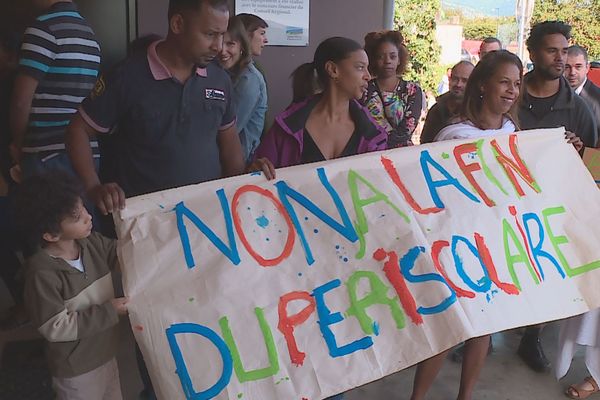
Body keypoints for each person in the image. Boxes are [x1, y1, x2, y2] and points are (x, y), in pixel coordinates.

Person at [65, 1, 272, 398]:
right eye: (209, 34)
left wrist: (248, 176)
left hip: (205, 227)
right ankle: (158, 390)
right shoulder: (127, 77)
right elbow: (78, 130)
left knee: (208, 312)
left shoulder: (219, 80)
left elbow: (228, 149)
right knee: (157, 323)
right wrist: (94, 187)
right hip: (145, 233)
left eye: (223, 35)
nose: (219, 45)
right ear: (177, 24)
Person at [411, 50, 523, 400]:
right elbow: (430, 191)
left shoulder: (513, 132)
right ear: (482, 86)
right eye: (504, 81)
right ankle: (418, 397)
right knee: (448, 326)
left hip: (496, 242)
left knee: (484, 326)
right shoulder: (453, 136)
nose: (511, 91)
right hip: (455, 243)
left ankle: (466, 395)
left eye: (517, 84)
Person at [517, 21, 597, 373]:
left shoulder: (578, 108)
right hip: (504, 202)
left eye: (565, 50)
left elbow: (592, 164)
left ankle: (531, 335)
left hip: (549, 208)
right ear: (533, 52)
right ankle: (480, 337)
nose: (560, 58)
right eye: (552, 50)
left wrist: (577, 152)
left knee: (543, 272)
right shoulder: (510, 95)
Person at [14, 171, 128, 400]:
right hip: (76, 371)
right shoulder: (41, 275)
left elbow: (121, 255)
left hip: (105, 352)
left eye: (84, 208)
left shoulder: (91, 242)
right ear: (51, 235)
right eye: (77, 217)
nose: (88, 217)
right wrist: (109, 311)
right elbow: (56, 326)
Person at [255, 36, 387, 169]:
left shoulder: (373, 135)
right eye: (360, 67)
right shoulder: (287, 127)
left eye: (367, 68)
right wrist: (256, 170)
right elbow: (257, 177)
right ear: (333, 70)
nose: (368, 76)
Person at [10, 0, 101, 179]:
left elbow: (21, 101)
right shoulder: (90, 35)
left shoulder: (42, 29)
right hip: (86, 157)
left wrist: (18, 145)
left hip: (46, 156)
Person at [219, 16, 267, 163]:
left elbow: (229, 131)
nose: (222, 51)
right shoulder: (224, 73)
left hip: (236, 165)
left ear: (242, 45)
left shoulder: (248, 79)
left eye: (230, 44)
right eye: (262, 33)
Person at [363, 30, 423, 147]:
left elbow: (408, 128)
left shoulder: (413, 90)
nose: (387, 61)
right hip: (370, 154)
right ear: (373, 60)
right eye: (381, 57)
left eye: (392, 56)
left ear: (399, 59)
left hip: (402, 156)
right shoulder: (364, 88)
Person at [420, 61, 474, 143]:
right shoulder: (436, 110)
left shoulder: (480, 110)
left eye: (464, 80)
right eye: (455, 79)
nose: (458, 84)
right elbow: (425, 143)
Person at [565, 45, 600, 142]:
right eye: (567, 67)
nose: (572, 72)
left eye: (578, 67)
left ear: (587, 67)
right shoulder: (555, 94)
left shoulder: (597, 99)